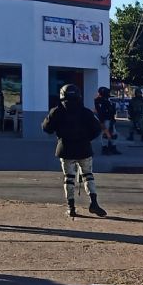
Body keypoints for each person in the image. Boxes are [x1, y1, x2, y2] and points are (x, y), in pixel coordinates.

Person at [42, 84, 108, 218]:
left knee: (69, 178)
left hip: (65, 148)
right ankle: (93, 202)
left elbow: (46, 128)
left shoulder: (56, 111)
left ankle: (71, 207)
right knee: (88, 175)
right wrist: (86, 138)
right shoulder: (86, 112)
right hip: (84, 148)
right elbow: (97, 129)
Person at [94, 87, 120, 155]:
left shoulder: (106, 100)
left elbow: (111, 110)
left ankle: (113, 148)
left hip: (110, 119)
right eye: (107, 92)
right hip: (105, 120)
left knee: (114, 134)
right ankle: (105, 148)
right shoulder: (99, 101)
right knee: (105, 134)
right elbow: (101, 112)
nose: (108, 94)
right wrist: (102, 122)